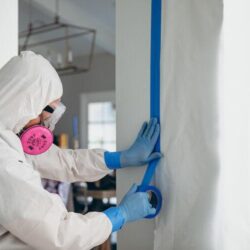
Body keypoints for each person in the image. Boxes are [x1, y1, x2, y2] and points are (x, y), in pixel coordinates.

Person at [0, 51, 161, 250]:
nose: (44, 122)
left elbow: (63, 162)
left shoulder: (9, 136)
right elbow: (60, 233)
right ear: (25, 102)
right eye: (45, 111)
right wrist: (120, 215)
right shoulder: (4, 161)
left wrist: (118, 159)